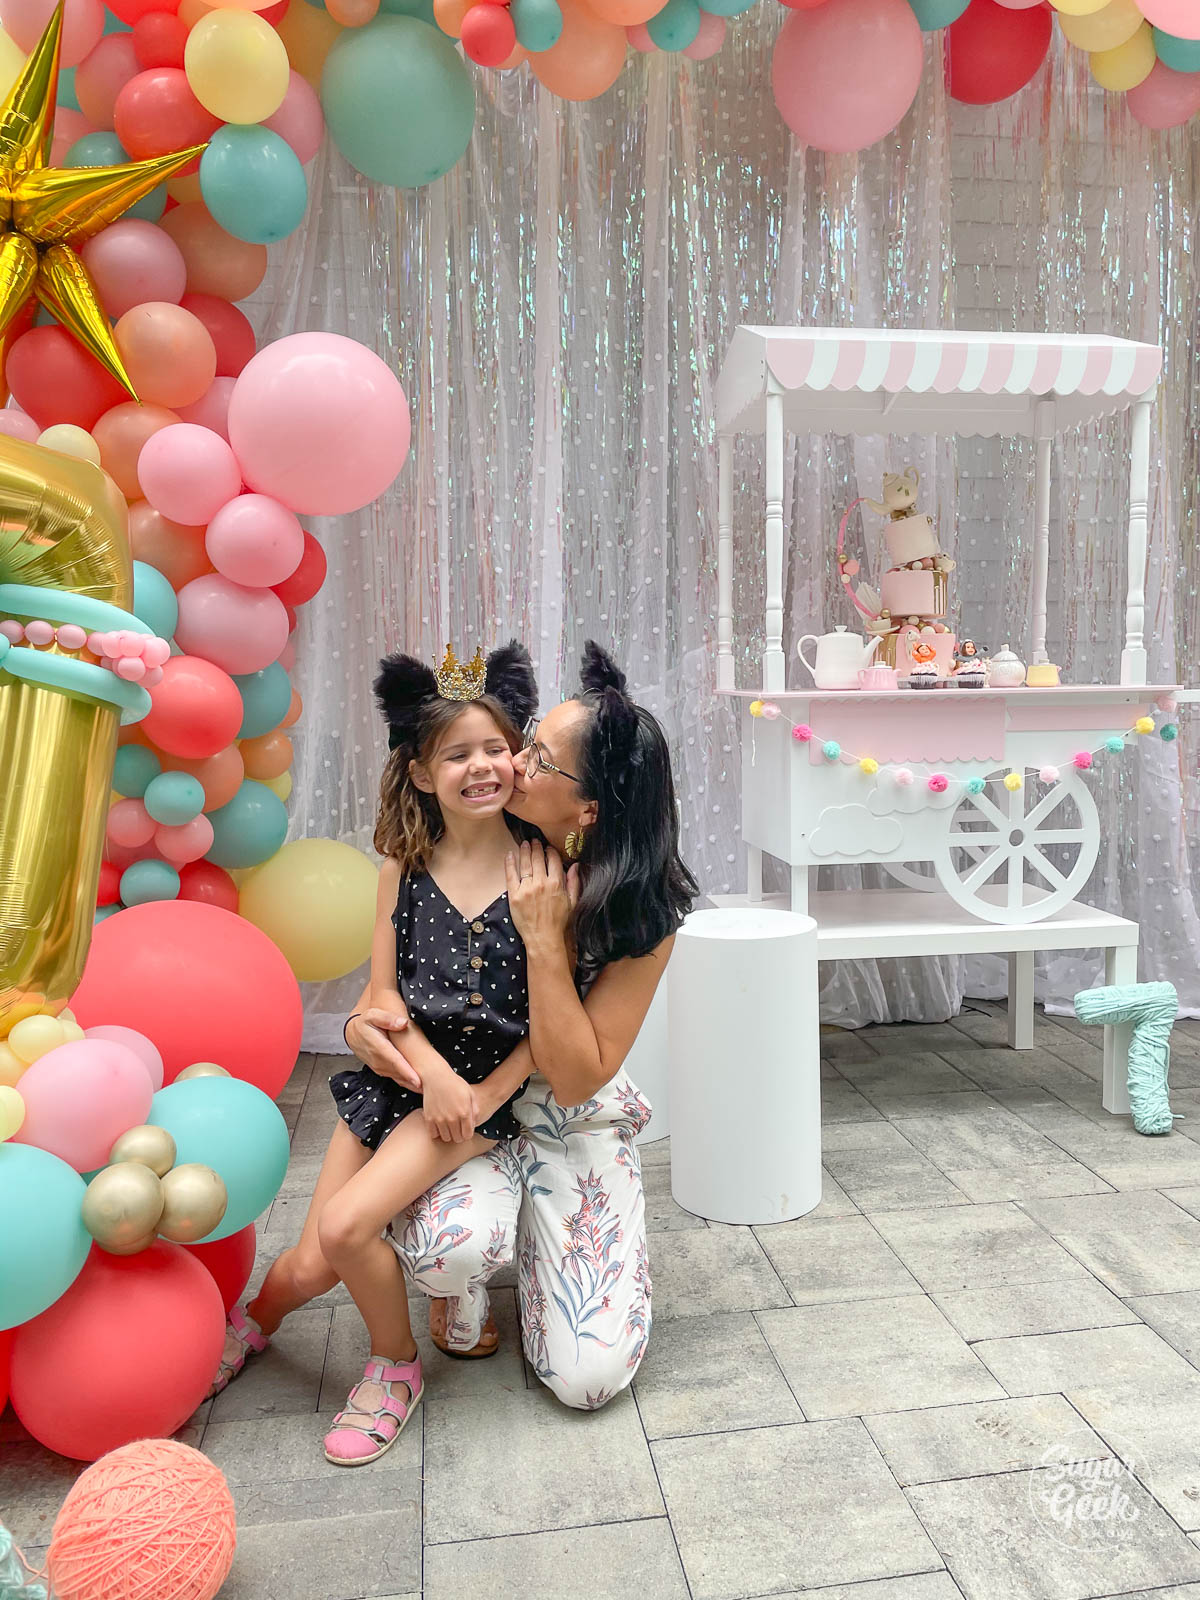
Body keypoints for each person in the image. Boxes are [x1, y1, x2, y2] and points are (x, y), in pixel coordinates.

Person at [216, 642, 697, 1417]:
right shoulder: (420, 859)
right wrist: (393, 1048)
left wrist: (482, 1075)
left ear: (588, 809)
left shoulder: (576, 888)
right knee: (318, 1259)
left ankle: (408, 1350)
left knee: (581, 1378)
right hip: (411, 1088)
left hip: (524, 1100)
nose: (505, 765)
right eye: (521, 744)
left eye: (524, 753)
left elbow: (562, 1062)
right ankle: (267, 1320)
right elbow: (381, 997)